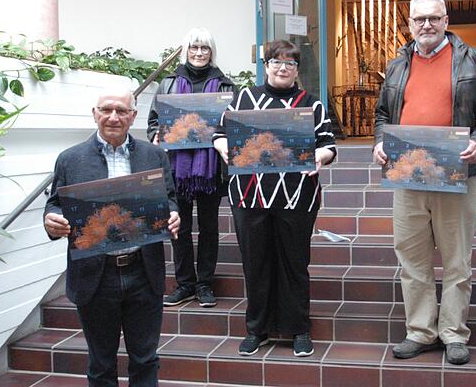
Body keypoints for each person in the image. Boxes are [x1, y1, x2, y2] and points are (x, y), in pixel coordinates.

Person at [373, 0, 476, 365]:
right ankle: (420, 330)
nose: (426, 25)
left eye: (433, 18)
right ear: (410, 23)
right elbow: (382, 114)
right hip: (408, 177)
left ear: (446, 20)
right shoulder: (398, 63)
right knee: (412, 260)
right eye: (419, 19)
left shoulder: (472, 59)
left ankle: (453, 333)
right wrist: (380, 143)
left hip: (456, 174)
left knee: (456, 261)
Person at [44, 90, 180, 386]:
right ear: (94, 113)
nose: (114, 117)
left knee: (145, 361)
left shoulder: (154, 155)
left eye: (122, 110)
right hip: (95, 276)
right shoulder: (69, 159)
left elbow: (170, 198)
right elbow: (55, 203)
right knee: (101, 364)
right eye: (107, 109)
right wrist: (50, 220)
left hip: (143, 272)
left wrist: (173, 213)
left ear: (133, 116)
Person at [213, 40, 336, 357]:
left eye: (290, 64)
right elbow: (219, 133)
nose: (283, 68)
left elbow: (328, 145)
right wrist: (223, 146)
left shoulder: (311, 104)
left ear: (297, 69)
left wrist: (318, 158)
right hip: (249, 194)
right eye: (276, 62)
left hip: (297, 195)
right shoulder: (245, 98)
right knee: (256, 263)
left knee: (294, 263)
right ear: (265, 65)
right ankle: (257, 329)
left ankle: (298, 329)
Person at [147, 28, 235, 307]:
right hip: (177, 169)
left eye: (205, 48)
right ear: (186, 50)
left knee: (209, 227)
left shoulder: (225, 86)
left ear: (212, 52)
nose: (199, 53)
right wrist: (156, 136)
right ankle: (185, 283)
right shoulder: (168, 84)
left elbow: (233, 124)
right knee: (179, 227)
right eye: (194, 48)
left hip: (211, 170)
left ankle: (205, 283)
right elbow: (153, 121)